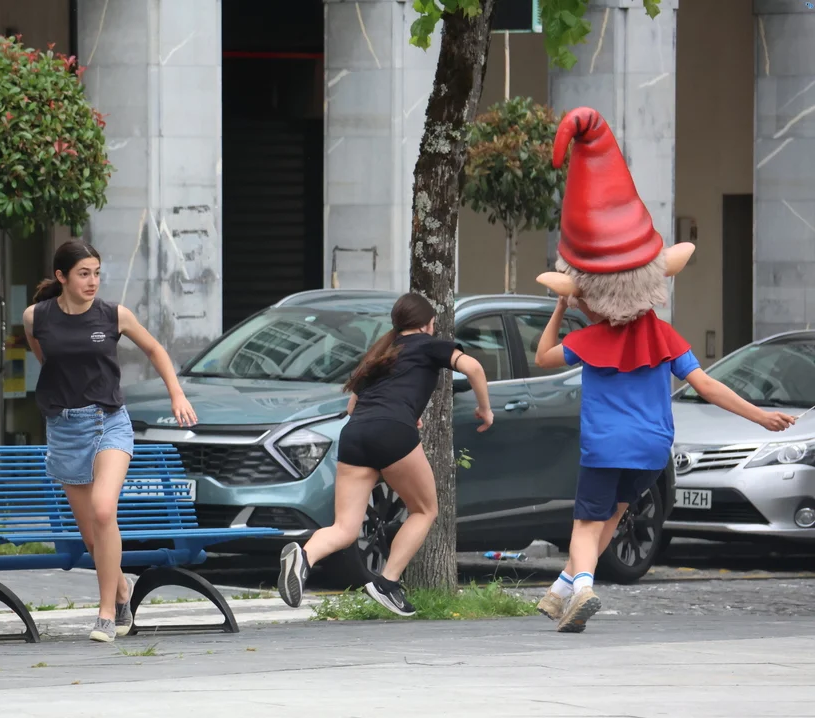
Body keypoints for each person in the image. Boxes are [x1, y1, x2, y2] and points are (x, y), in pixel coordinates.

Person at [533, 107, 796, 633]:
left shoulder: (588, 339)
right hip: (653, 450)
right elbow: (708, 386)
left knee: (585, 522)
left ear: (588, 292)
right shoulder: (666, 336)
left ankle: (581, 586)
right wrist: (760, 416)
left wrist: (562, 308)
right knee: (612, 516)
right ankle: (562, 591)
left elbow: (542, 358)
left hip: (605, 445)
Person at [23, 240, 198, 644]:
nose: (93, 281)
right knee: (91, 536)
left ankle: (106, 613)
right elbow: (43, 355)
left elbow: (154, 349)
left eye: (97, 273)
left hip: (109, 421)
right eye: (83, 274)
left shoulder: (113, 314)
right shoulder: (36, 317)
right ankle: (121, 588)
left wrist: (177, 395)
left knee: (104, 510)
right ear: (62, 276)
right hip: (65, 429)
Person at [277, 292, 493, 616]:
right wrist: (485, 409)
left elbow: (354, 407)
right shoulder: (429, 345)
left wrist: (401, 412)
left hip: (355, 434)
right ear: (427, 324)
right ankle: (387, 582)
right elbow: (473, 367)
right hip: (392, 432)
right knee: (425, 510)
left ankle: (305, 556)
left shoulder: (379, 356)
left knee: (344, 528)